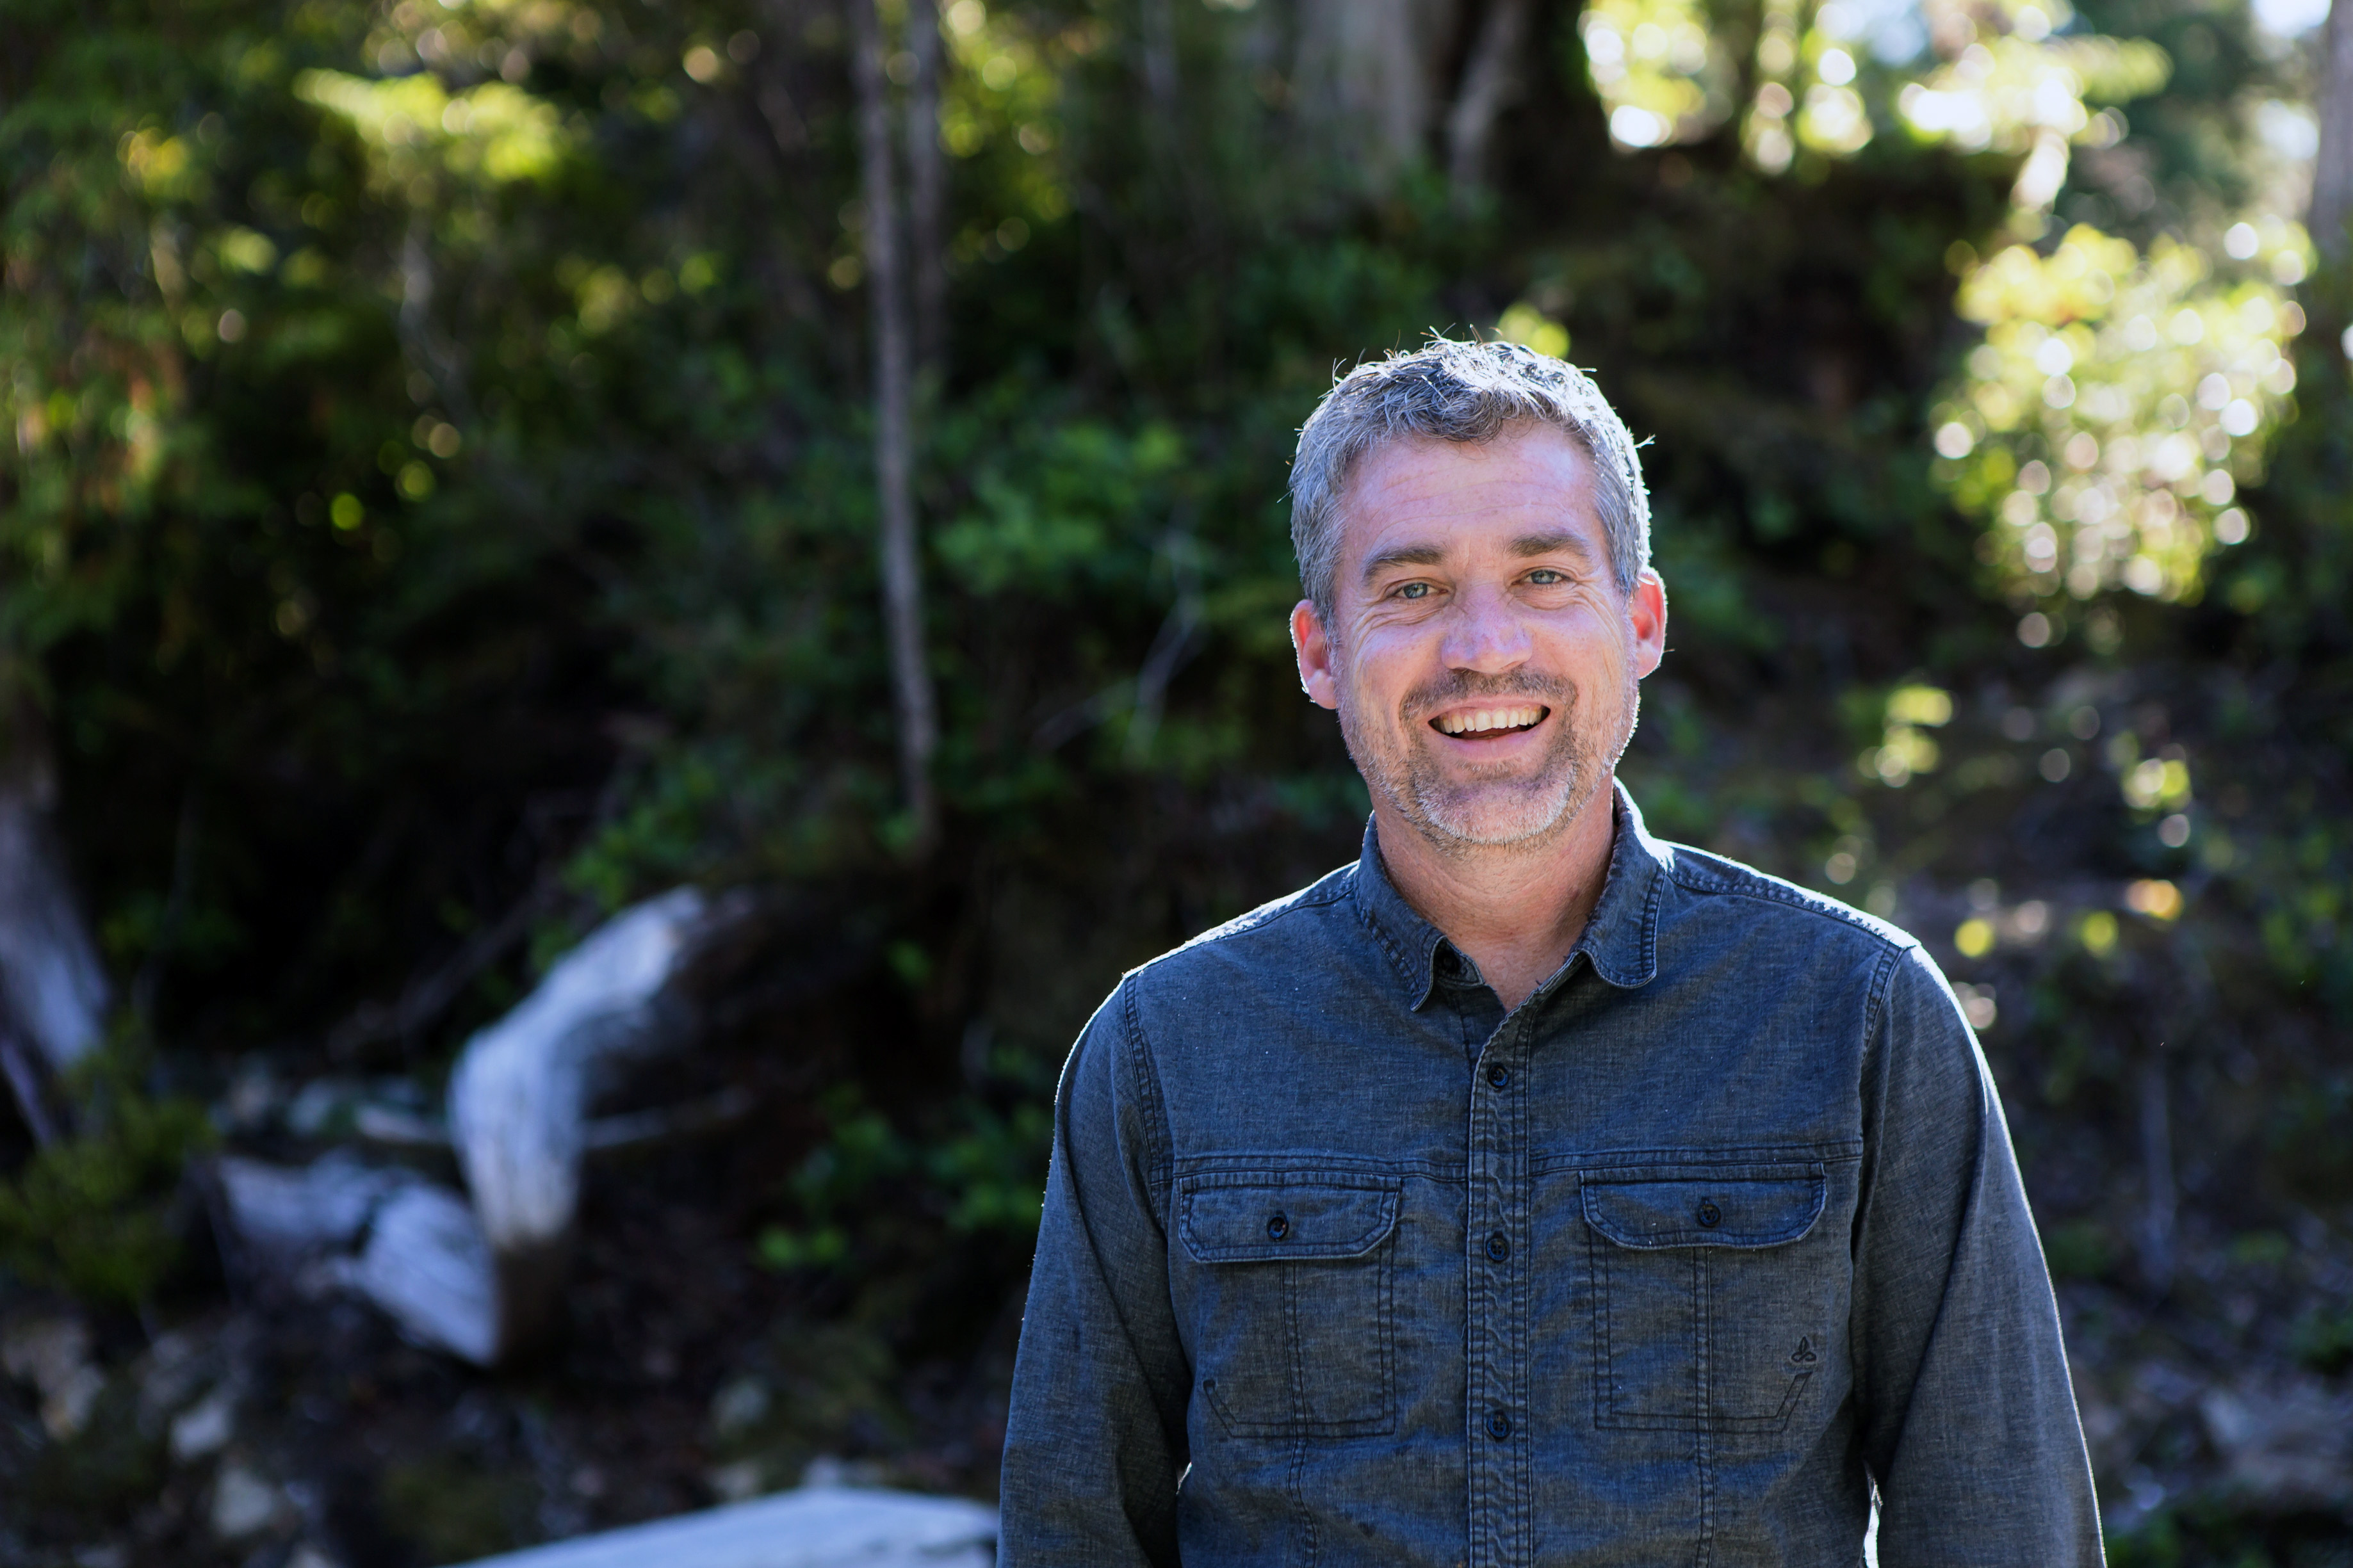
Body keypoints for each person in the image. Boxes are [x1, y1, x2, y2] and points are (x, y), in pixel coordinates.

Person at [998, 338, 2103, 1567]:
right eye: (1411, 589)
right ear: (1318, 651)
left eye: (1540, 575)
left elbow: (2003, 1525)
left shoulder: (1861, 1019)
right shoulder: (1163, 1051)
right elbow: (1071, 1537)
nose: (1482, 647)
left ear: (1638, 623)